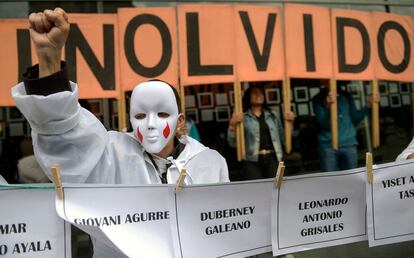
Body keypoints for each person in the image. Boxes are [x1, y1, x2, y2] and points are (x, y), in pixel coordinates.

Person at [12, 8, 229, 258]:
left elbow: (221, 229)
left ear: (180, 120)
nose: (149, 124)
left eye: (161, 114)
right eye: (139, 116)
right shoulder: (112, 155)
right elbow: (65, 138)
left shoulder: (209, 163)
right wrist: (49, 60)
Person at [227, 85, 294, 180]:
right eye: (255, 93)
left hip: (273, 158)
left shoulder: (273, 115)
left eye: (261, 93)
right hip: (251, 160)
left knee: (277, 189)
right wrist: (232, 125)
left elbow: (284, 140)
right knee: (257, 191)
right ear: (248, 97)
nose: (259, 95)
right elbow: (232, 143)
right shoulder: (243, 117)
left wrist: (290, 123)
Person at [312, 83, 379, 172]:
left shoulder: (346, 96)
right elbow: (324, 124)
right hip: (328, 146)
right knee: (330, 181)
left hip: (349, 143)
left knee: (352, 179)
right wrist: (330, 107)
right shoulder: (318, 99)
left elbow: (354, 119)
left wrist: (368, 105)